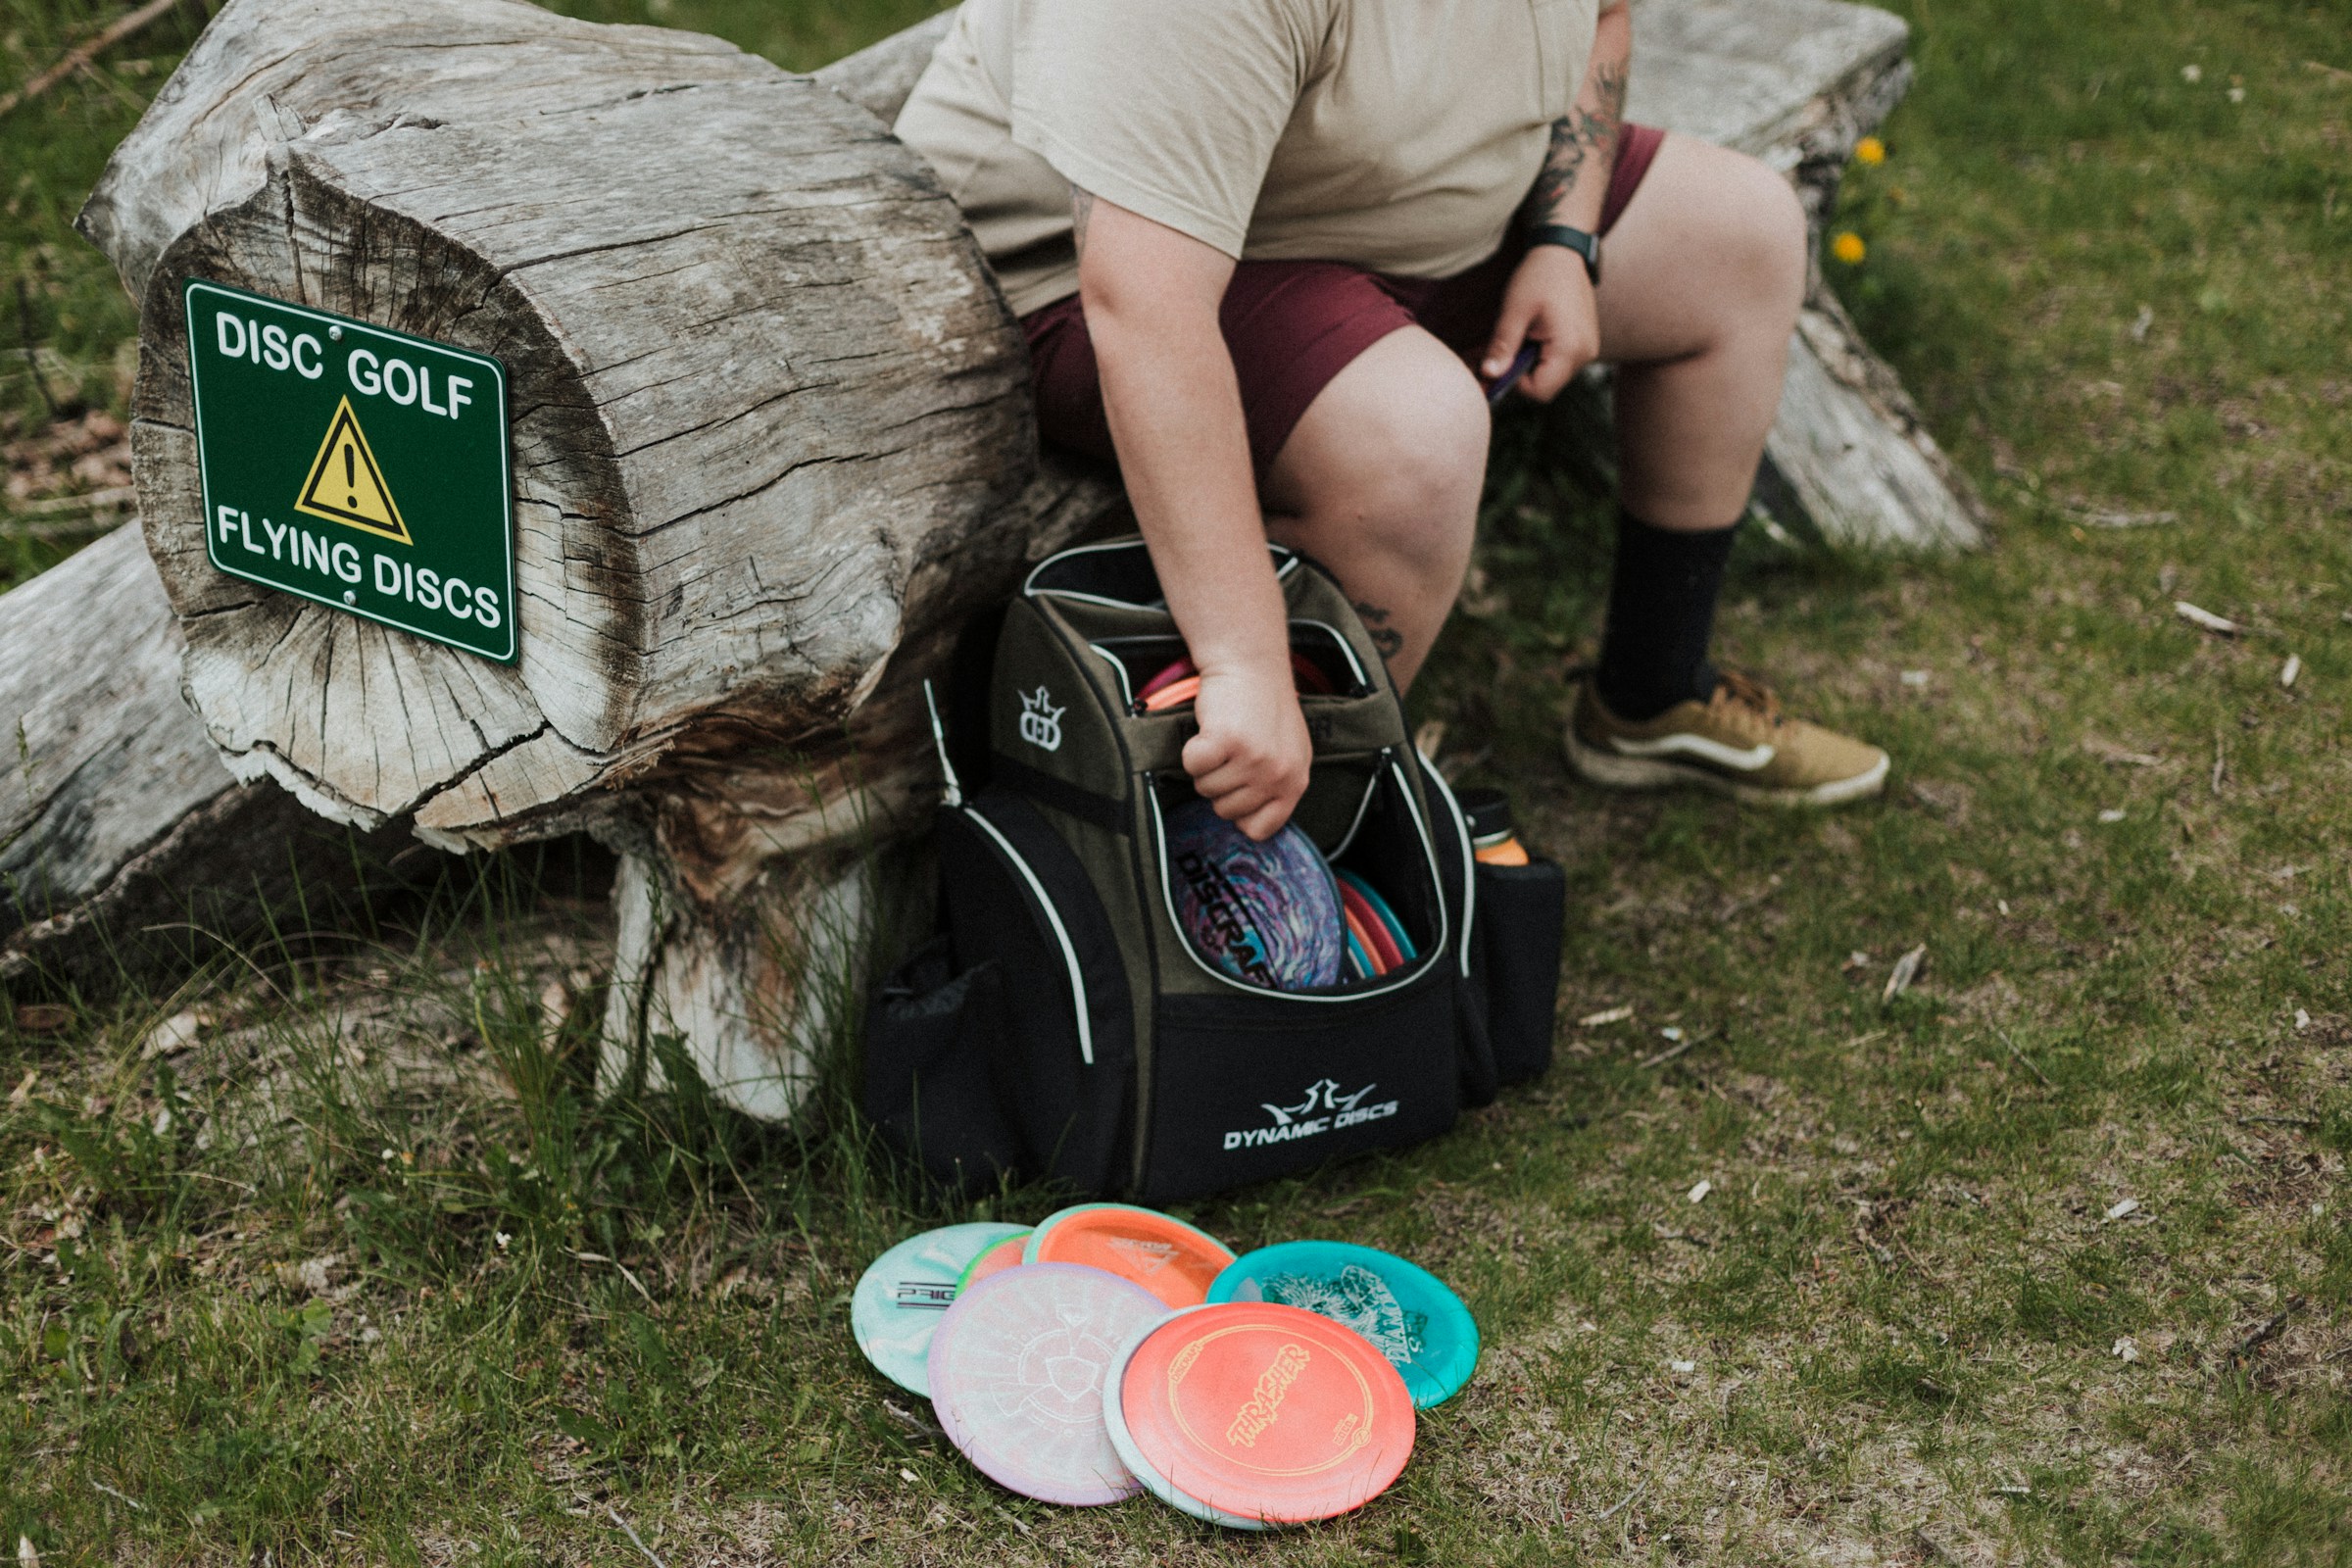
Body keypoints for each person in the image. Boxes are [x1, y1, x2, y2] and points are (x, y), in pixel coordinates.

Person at [898, 0, 1889, 840]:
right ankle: (1293, 855)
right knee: (1415, 439)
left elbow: (1605, 19)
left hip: (1377, 212)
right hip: (1083, 266)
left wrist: (1562, 237)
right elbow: (1144, 305)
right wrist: (1240, 655)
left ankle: (1651, 695)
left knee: (1745, 235)